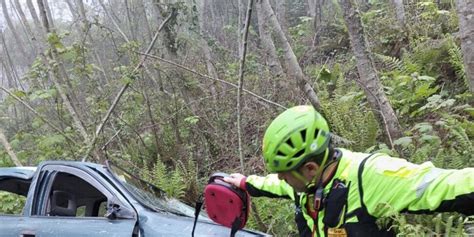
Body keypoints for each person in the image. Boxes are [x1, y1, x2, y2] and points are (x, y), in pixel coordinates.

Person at [223, 105, 474, 237]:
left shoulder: (370, 175)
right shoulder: (303, 184)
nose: (280, 178)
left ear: (309, 168)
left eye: (284, 172)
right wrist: (245, 182)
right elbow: (274, 185)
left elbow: (441, 184)